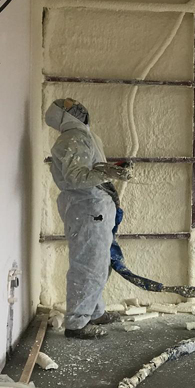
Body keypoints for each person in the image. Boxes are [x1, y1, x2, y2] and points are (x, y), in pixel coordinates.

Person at [44, 98, 133, 339]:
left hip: (94, 208)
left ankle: (94, 312)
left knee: (98, 261)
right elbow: (75, 177)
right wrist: (108, 172)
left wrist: (109, 169)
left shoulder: (85, 136)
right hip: (87, 208)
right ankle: (76, 323)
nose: (80, 110)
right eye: (71, 108)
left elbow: (87, 169)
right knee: (88, 264)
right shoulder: (73, 138)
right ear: (63, 116)